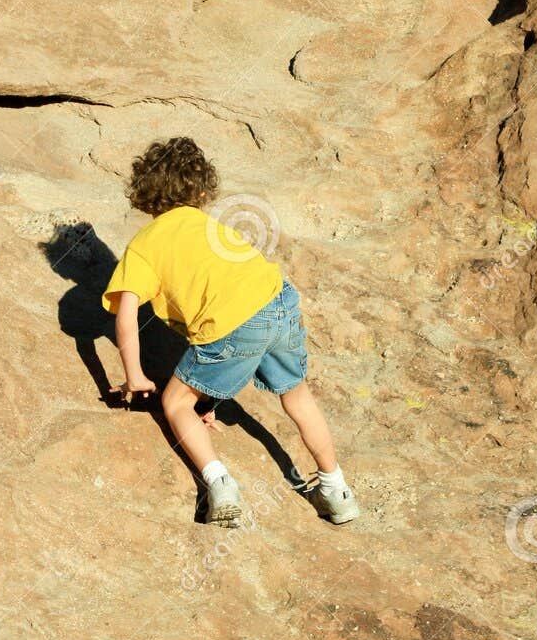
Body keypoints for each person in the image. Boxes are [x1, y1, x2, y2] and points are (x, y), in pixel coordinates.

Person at [102, 136, 358, 528]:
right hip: (278, 300)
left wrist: (136, 376)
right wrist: (209, 398)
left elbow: (126, 316)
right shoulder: (209, 225)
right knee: (297, 396)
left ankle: (220, 486)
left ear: (143, 193)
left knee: (175, 403)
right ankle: (337, 490)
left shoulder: (143, 245)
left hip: (234, 326)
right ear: (202, 190)